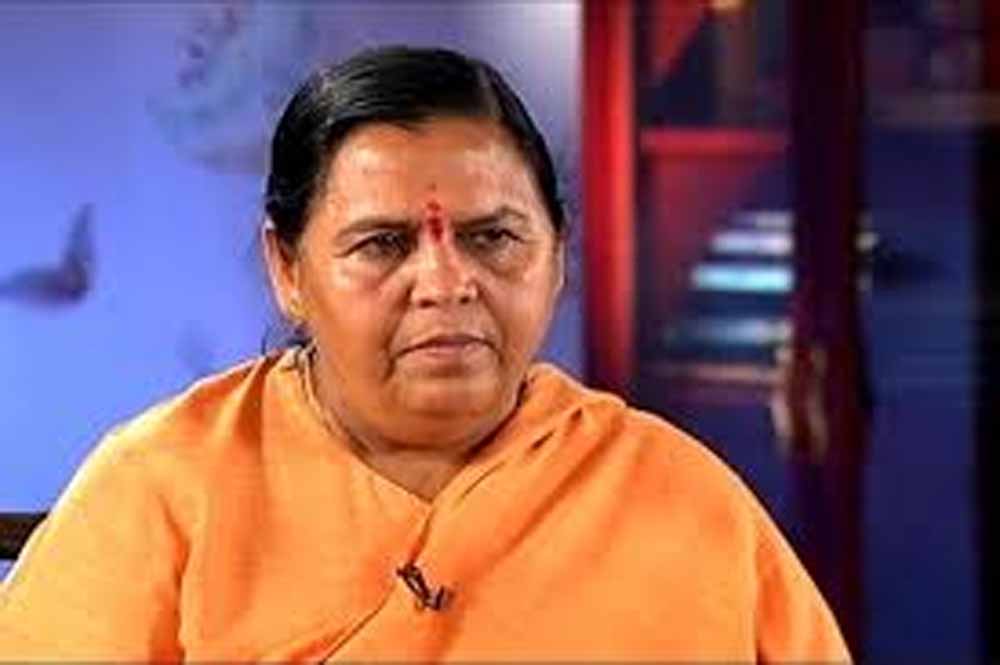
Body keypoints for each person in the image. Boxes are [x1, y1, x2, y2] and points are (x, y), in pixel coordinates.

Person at [0, 46, 850, 662]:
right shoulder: (163, 487)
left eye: (493, 238)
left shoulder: (681, 499)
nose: (446, 284)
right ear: (287, 268)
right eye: (382, 244)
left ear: (558, 255)